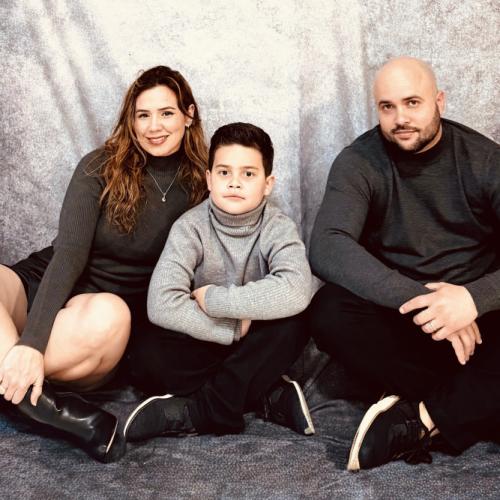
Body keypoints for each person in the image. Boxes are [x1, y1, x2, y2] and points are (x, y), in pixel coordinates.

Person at [0, 65, 208, 462]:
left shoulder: (207, 181)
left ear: (189, 115)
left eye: (166, 113)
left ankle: (16, 382)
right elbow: (69, 254)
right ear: (131, 120)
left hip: (98, 321)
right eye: (143, 115)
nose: (154, 126)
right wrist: (29, 344)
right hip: (43, 287)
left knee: (110, 314)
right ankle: (43, 407)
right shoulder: (100, 165)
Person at [308, 56, 500, 471]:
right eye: (387, 107)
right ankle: (472, 402)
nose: (400, 119)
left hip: (480, 325)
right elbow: (326, 245)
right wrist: (424, 302)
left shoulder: (485, 160)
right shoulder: (360, 161)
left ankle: (421, 419)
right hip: (404, 319)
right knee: (329, 311)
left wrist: (472, 299)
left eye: (413, 103)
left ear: (439, 101)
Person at [123, 122, 315, 442]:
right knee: (145, 351)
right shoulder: (190, 227)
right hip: (206, 338)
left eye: (248, 174)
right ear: (209, 179)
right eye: (224, 172)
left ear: (268, 184)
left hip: (256, 341)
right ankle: (264, 391)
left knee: (296, 320)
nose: (235, 183)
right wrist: (231, 328)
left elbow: (296, 288)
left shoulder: (278, 227)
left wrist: (214, 298)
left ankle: (202, 411)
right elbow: (161, 302)